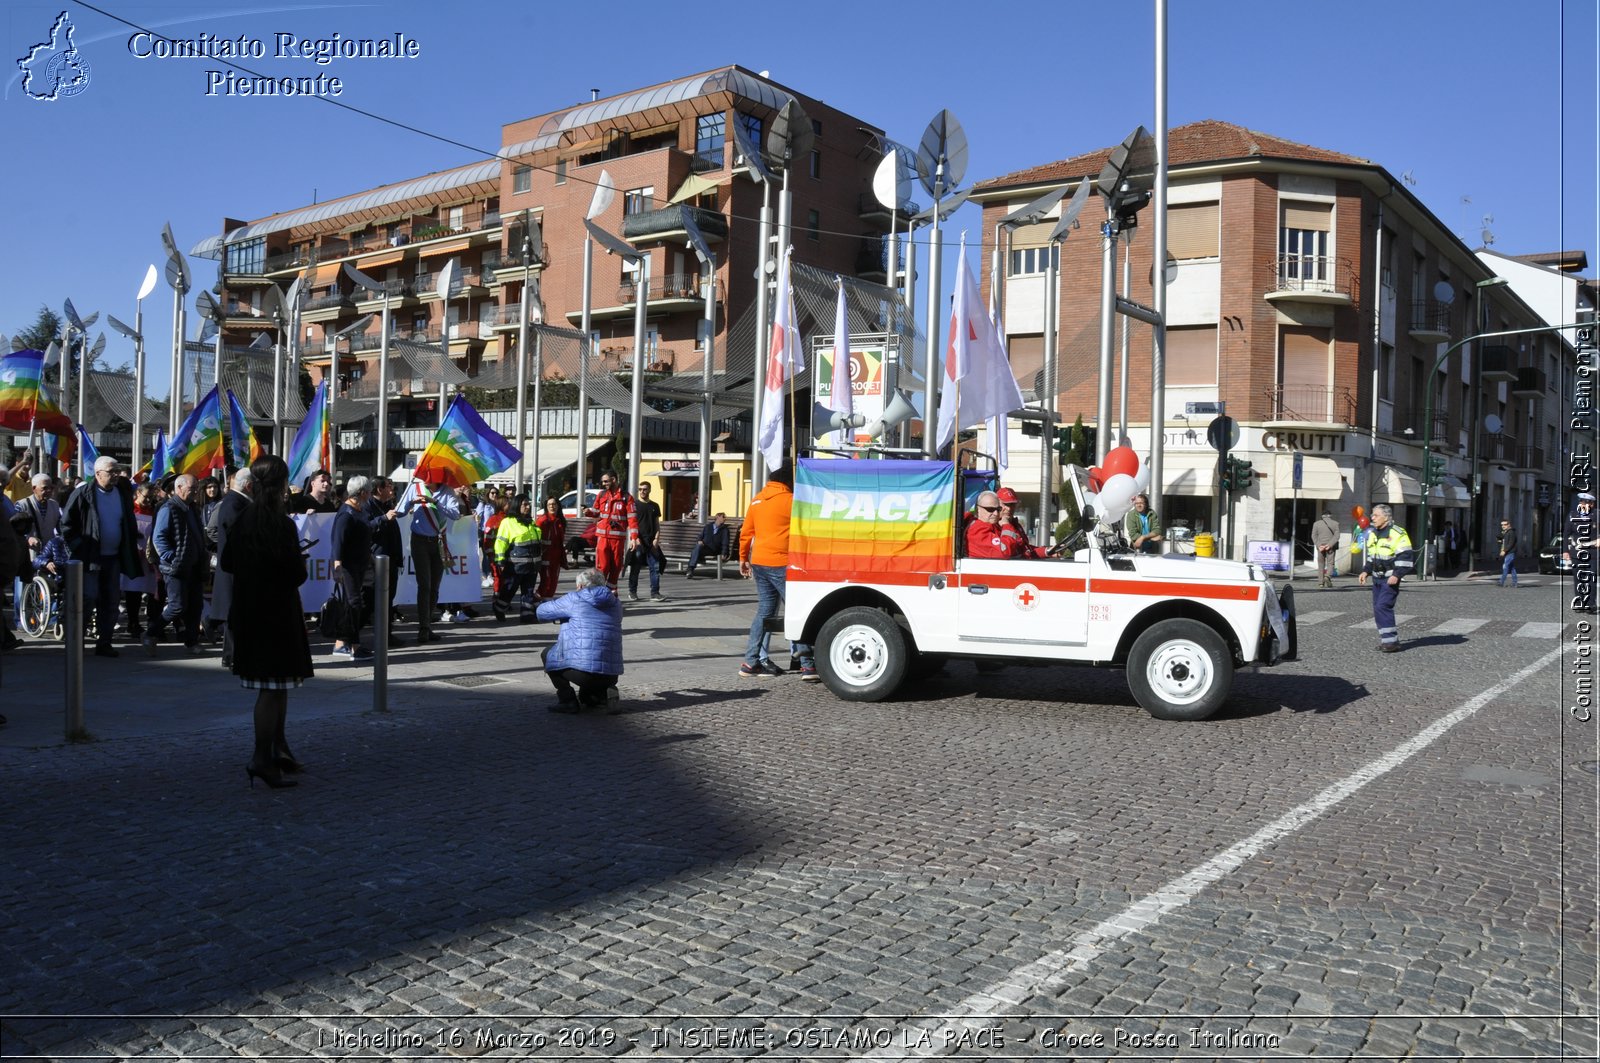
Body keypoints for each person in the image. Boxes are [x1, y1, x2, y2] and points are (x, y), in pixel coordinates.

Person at [222, 455, 313, 789]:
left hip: (249, 610)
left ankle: (277, 750)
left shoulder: (245, 519)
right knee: (272, 689)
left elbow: (228, 563)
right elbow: (296, 574)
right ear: (280, 486)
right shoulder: (280, 523)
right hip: (276, 612)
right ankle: (261, 758)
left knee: (277, 687)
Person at [738, 465, 816, 680]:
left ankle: (750, 662)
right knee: (797, 609)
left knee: (765, 612)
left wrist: (743, 558)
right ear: (789, 482)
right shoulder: (792, 501)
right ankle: (808, 664)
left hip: (759, 561)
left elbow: (746, 533)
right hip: (782, 562)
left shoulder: (757, 500)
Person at [61, 455, 142, 658]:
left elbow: (128, 520)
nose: (115, 475)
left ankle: (104, 642)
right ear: (97, 474)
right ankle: (76, 642)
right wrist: (80, 547)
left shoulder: (122, 493)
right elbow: (66, 525)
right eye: (111, 472)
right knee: (87, 599)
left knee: (111, 601)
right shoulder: (83, 493)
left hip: (113, 558)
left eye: (117, 471)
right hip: (90, 558)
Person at [535, 566, 623, 713]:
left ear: (580, 586)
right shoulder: (615, 603)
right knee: (592, 658)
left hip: (583, 673)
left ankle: (567, 700)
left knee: (548, 654)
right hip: (611, 673)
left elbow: (541, 612)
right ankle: (600, 695)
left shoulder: (574, 598)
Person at [395, 477, 460, 643]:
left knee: (434, 587)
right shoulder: (414, 487)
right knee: (425, 585)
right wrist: (409, 502)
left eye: (428, 475)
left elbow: (455, 514)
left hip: (439, 541)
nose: (424, 478)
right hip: (420, 541)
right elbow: (400, 511)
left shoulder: (447, 491)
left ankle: (428, 625)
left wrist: (434, 502)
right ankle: (423, 628)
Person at [149, 473, 207, 655]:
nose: (195, 492)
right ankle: (150, 633)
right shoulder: (169, 508)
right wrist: (172, 557)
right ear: (179, 488)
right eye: (192, 489)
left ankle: (191, 641)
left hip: (195, 566)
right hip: (177, 567)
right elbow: (159, 537)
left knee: (195, 605)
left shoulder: (192, 509)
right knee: (177, 605)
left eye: (197, 489)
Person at [207, 466, 253, 669]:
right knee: (233, 612)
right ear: (249, 486)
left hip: (236, 566)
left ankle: (230, 653)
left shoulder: (239, 501)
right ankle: (232, 654)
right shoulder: (234, 503)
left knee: (233, 612)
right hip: (233, 567)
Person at [1353, 503, 1414, 652]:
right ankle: (1388, 640)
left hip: (1389, 579)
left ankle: (1391, 643)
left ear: (1386, 517)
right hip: (1376, 578)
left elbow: (1406, 556)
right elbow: (1371, 555)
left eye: (1376, 515)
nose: (1372, 518)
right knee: (1377, 608)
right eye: (1372, 514)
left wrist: (1397, 575)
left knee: (1383, 606)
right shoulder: (1373, 532)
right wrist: (1365, 571)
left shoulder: (1398, 533)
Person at [329, 475, 374, 659]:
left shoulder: (359, 510)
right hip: (348, 566)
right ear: (363, 493)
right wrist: (337, 567)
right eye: (369, 491)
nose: (370, 494)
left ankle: (343, 643)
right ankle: (354, 645)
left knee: (353, 604)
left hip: (359, 564)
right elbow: (337, 542)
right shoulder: (346, 514)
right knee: (355, 603)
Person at [364, 476, 407, 646]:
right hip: (376, 561)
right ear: (379, 489)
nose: (392, 490)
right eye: (389, 486)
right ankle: (352, 637)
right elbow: (365, 527)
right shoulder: (368, 506)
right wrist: (383, 519)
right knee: (372, 600)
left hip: (391, 559)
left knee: (388, 599)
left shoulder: (387, 506)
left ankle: (386, 634)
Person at [492, 495, 543, 622]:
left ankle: (527, 615)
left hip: (532, 565)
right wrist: (500, 560)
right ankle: (499, 607)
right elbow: (500, 542)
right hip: (515, 566)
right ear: (517, 505)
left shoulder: (530, 522)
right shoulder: (508, 522)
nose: (528, 507)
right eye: (524, 504)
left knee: (528, 591)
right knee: (509, 590)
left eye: (528, 504)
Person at [585, 472, 637, 592]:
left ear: (613, 479)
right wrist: (588, 512)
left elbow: (632, 519)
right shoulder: (602, 495)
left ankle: (612, 593)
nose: (603, 484)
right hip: (603, 538)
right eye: (603, 482)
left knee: (616, 567)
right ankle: (599, 593)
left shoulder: (627, 498)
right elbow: (596, 511)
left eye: (606, 481)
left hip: (618, 540)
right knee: (602, 567)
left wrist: (634, 538)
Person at [626, 481, 665, 602]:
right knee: (635, 567)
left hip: (651, 542)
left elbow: (657, 524)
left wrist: (656, 539)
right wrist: (635, 539)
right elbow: (630, 524)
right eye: (640, 489)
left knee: (655, 567)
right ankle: (632, 592)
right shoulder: (634, 505)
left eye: (645, 489)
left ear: (649, 490)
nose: (642, 491)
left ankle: (655, 593)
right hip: (638, 542)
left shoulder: (654, 506)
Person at [965, 491, 1018, 560]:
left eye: (998, 509)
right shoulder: (977, 530)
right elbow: (1004, 552)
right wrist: (1006, 525)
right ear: (978, 509)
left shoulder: (992, 525)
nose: (996, 513)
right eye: (990, 509)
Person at [534, 495, 567, 601]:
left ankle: (546, 606)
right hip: (545, 556)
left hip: (556, 557)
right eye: (549, 504)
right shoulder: (542, 521)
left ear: (558, 506)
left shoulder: (560, 521)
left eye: (554, 504)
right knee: (546, 582)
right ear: (546, 507)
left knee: (553, 582)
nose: (552, 506)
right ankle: (536, 601)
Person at [996, 488, 1039, 559]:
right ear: (997, 504)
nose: (1009, 508)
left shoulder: (1016, 525)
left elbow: (1025, 550)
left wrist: (1046, 551)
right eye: (1005, 504)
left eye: (1012, 504)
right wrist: (1006, 525)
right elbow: (1005, 553)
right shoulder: (991, 526)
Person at [685, 512, 728, 578]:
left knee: (695, 551)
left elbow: (725, 542)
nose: (725, 519)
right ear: (717, 517)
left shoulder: (725, 530)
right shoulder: (708, 527)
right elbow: (700, 536)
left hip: (714, 550)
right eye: (723, 517)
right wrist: (699, 540)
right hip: (704, 548)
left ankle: (690, 569)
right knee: (698, 547)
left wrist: (723, 553)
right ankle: (690, 569)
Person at [1311, 510, 1341, 588]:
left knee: (1321, 564)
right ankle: (1327, 576)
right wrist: (1329, 545)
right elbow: (1337, 536)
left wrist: (1319, 545)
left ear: (1322, 516)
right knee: (1330, 563)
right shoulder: (1335, 523)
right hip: (1330, 547)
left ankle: (1321, 583)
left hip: (1320, 547)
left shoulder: (1316, 524)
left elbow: (1313, 536)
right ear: (1330, 515)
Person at [1496, 518, 1520, 588]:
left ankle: (1501, 581)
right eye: (1502, 525)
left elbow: (1511, 543)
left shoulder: (1511, 533)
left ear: (1509, 525)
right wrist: (1500, 537)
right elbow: (1500, 538)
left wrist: (1504, 550)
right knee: (1512, 568)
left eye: (1505, 524)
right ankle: (1514, 583)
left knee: (1505, 566)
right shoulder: (1506, 532)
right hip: (1508, 552)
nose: (1503, 526)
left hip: (1510, 552)